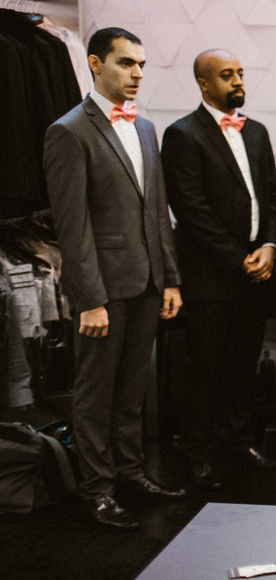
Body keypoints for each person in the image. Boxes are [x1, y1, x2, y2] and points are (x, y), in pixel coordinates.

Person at [42, 27, 186, 530]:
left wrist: (169, 278)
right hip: (103, 287)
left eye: (141, 65)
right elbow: (72, 225)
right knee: (94, 392)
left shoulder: (145, 129)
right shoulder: (69, 131)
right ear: (95, 64)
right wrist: (90, 300)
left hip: (147, 282)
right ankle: (97, 489)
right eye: (126, 63)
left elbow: (157, 210)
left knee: (131, 390)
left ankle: (131, 473)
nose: (137, 74)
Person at [161, 49, 276, 490]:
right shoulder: (182, 135)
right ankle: (198, 452)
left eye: (240, 73)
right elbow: (190, 209)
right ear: (203, 84)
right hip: (210, 276)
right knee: (204, 368)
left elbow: (272, 196)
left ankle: (238, 441)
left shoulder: (257, 131)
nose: (237, 82)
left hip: (257, 271)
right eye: (226, 75)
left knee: (242, 364)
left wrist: (270, 246)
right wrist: (238, 260)